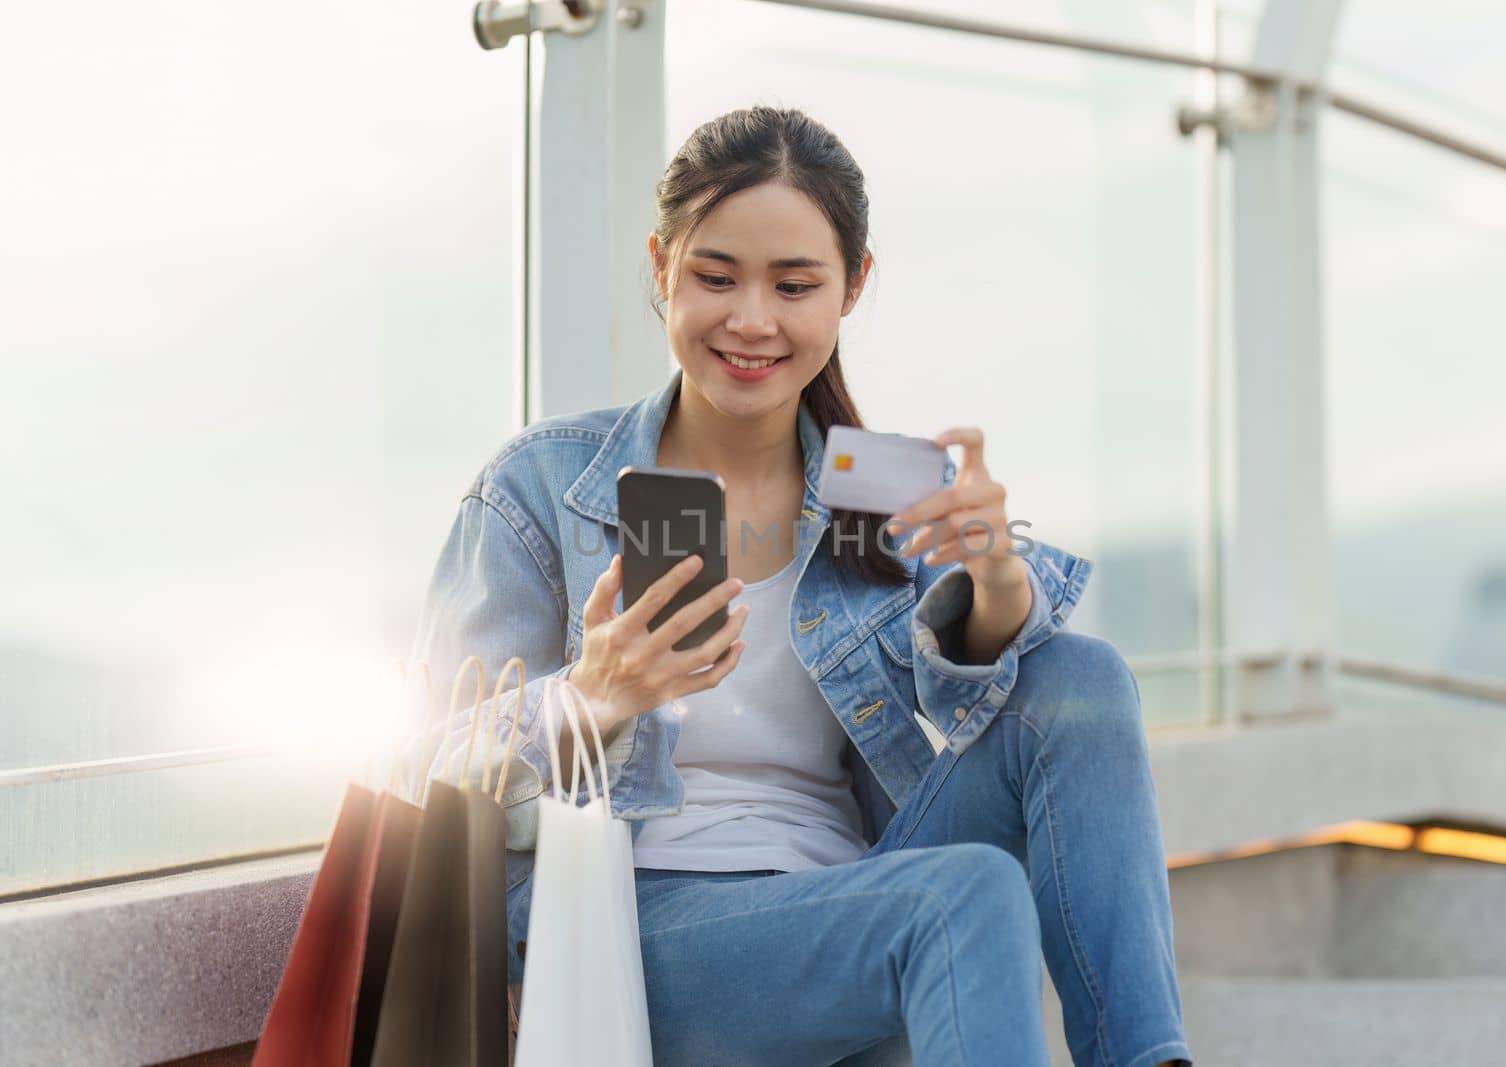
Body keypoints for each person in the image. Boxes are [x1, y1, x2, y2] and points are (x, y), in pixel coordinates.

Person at [411, 105, 1191, 1067]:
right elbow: (426, 770)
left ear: (852, 286)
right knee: (968, 891)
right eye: (714, 276)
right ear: (660, 267)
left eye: (794, 284)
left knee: (1082, 675)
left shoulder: (884, 482)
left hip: (855, 897)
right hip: (640, 927)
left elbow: (996, 692)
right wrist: (592, 695)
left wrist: (994, 573)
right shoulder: (541, 485)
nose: (752, 319)